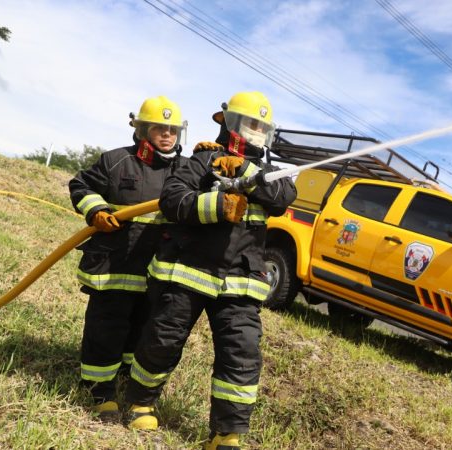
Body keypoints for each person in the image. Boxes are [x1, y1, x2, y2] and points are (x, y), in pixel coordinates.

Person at [123, 91, 297, 450]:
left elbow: (282, 198)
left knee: (242, 354)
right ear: (230, 123)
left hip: (241, 283)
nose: (258, 132)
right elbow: (173, 201)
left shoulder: (269, 174)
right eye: (251, 124)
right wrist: (217, 204)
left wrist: (248, 171)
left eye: (263, 127)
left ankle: (226, 434)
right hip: (187, 271)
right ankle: (140, 401)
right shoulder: (202, 161)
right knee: (163, 340)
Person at [68, 95, 186, 421]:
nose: (167, 135)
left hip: (155, 271)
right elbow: (81, 185)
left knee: (142, 330)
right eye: (159, 128)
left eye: (173, 129)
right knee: (106, 327)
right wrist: (96, 210)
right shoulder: (116, 161)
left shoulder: (185, 170)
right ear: (142, 129)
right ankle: (99, 391)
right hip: (115, 265)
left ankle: (124, 377)